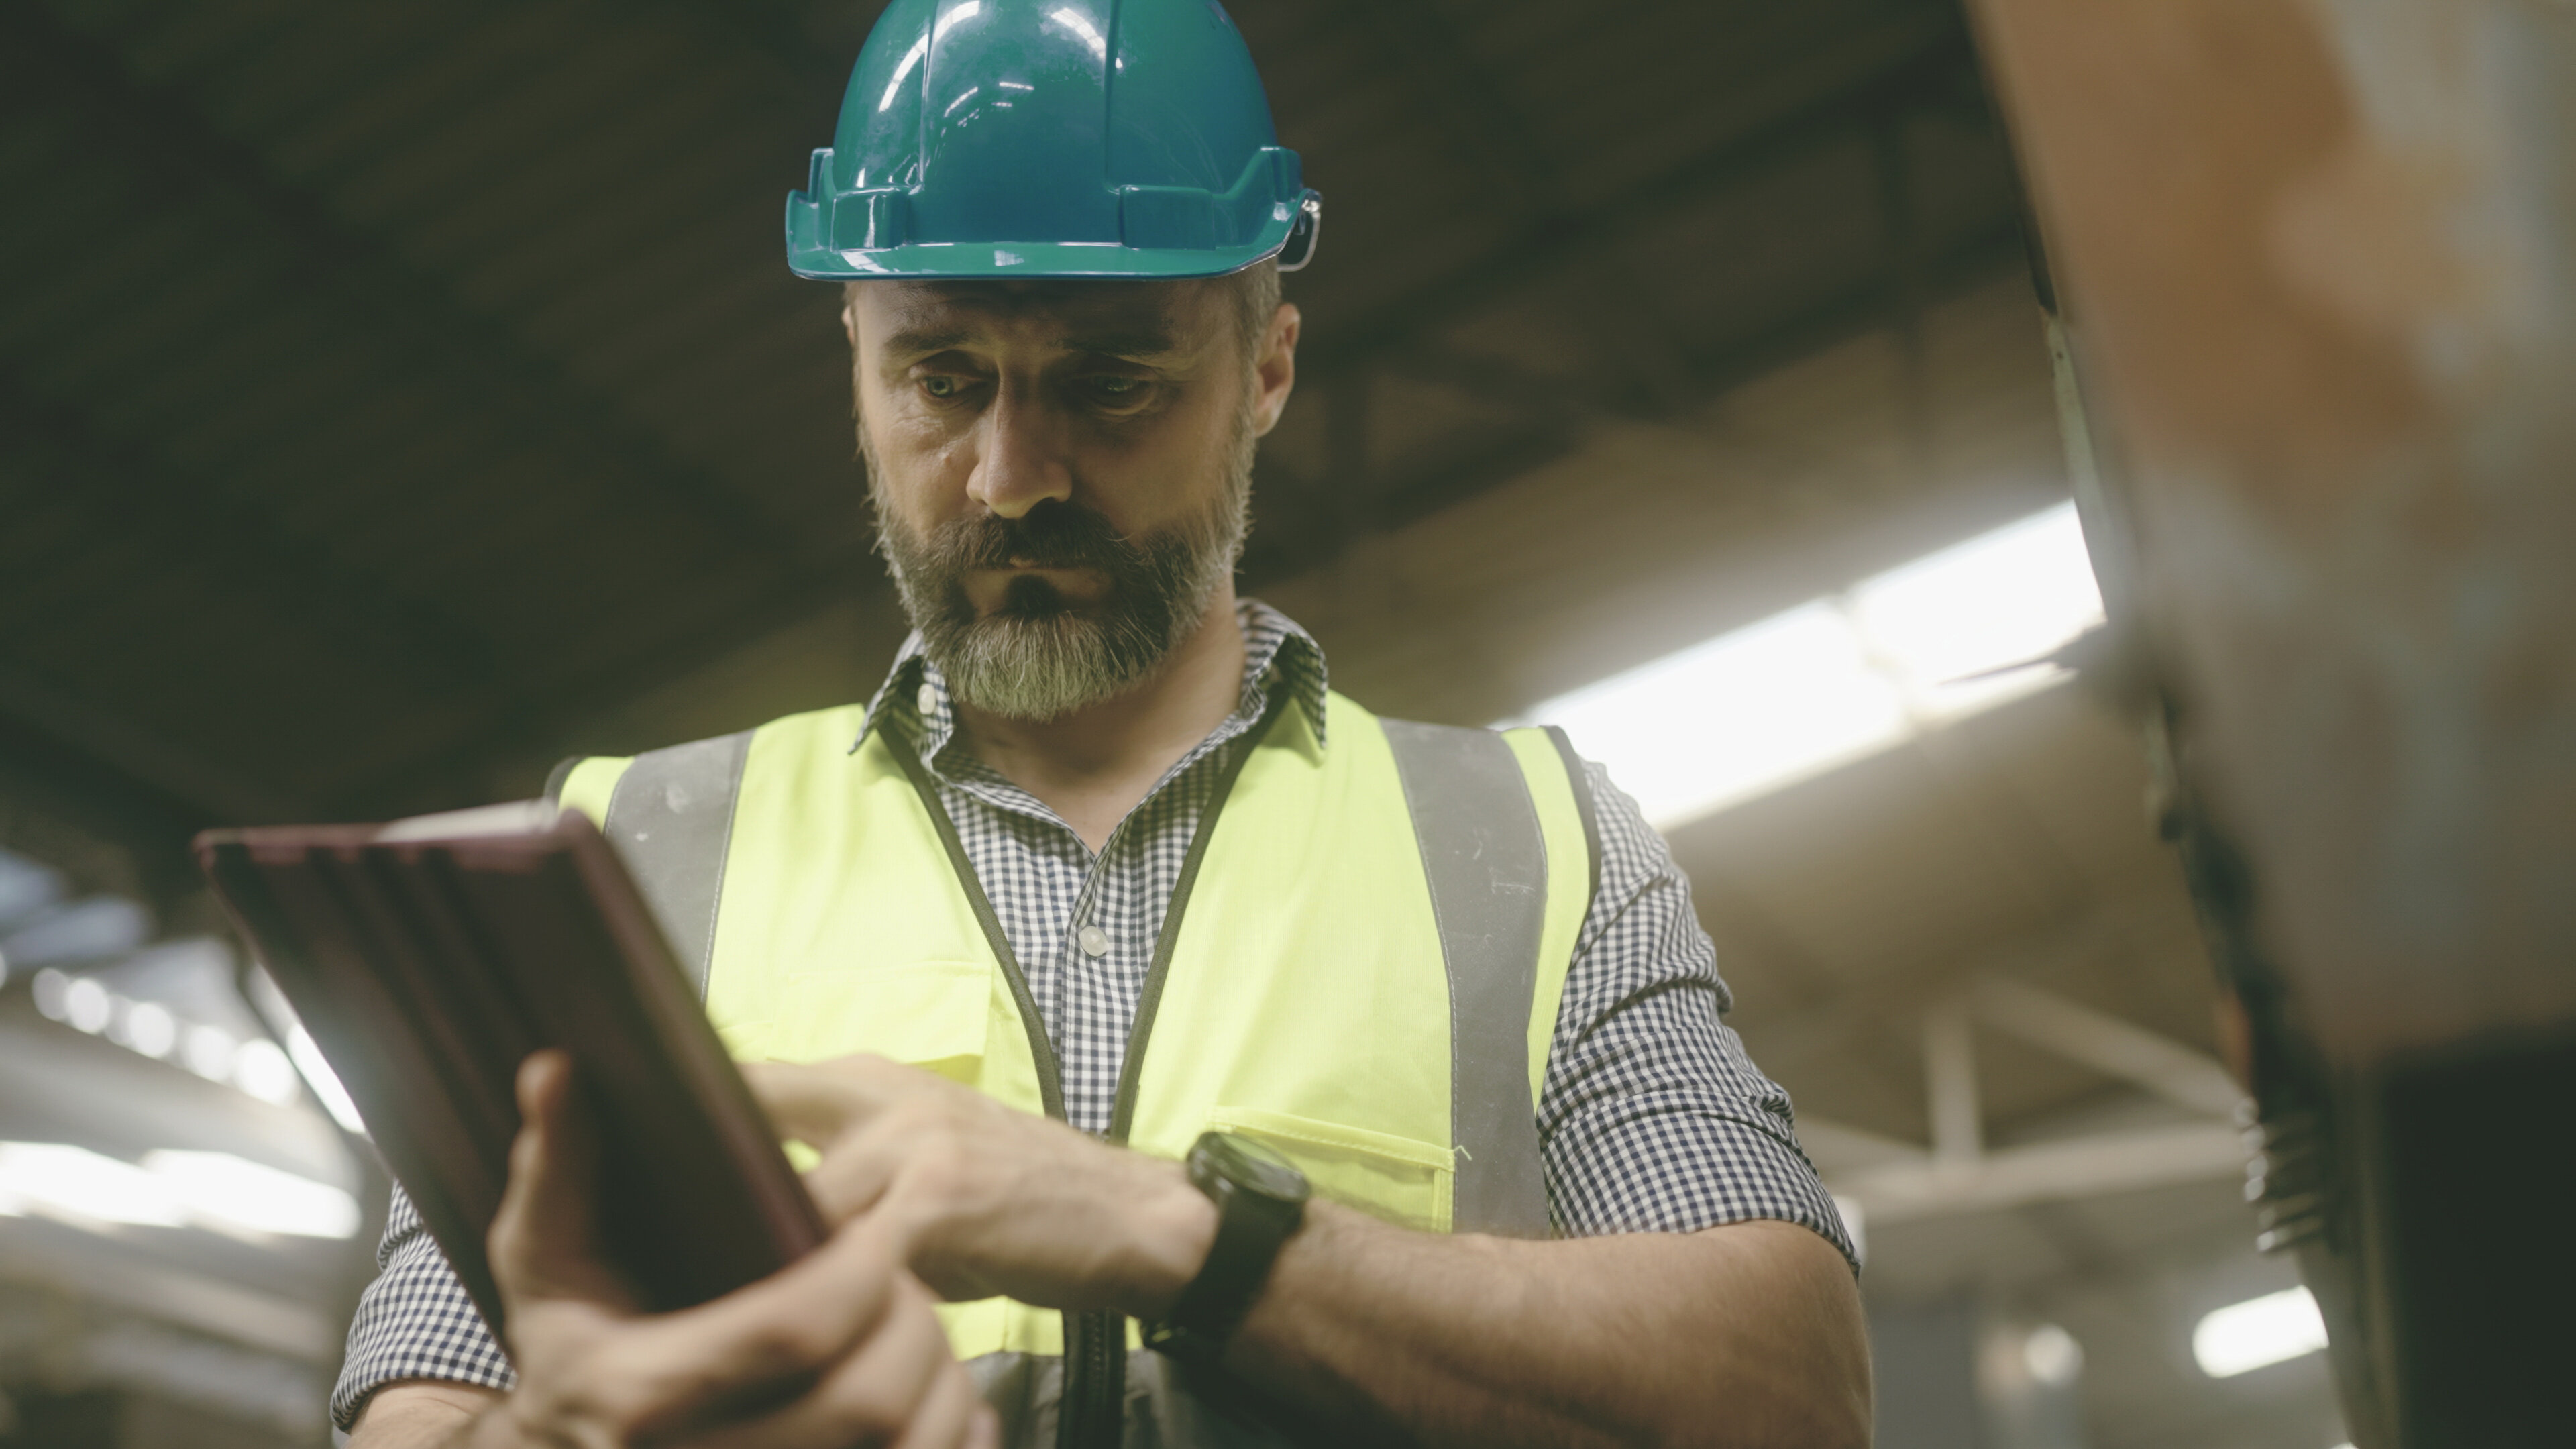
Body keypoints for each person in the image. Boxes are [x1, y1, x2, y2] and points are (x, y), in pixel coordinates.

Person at [340, 1, 1870, 1445]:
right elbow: (426, 1406)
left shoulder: (1534, 847)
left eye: (1113, 383)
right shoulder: (626, 853)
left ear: (1267, 368)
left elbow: (1790, 1391)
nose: (1015, 476)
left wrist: (1173, 1230)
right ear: (855, 367)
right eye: (940, 380)